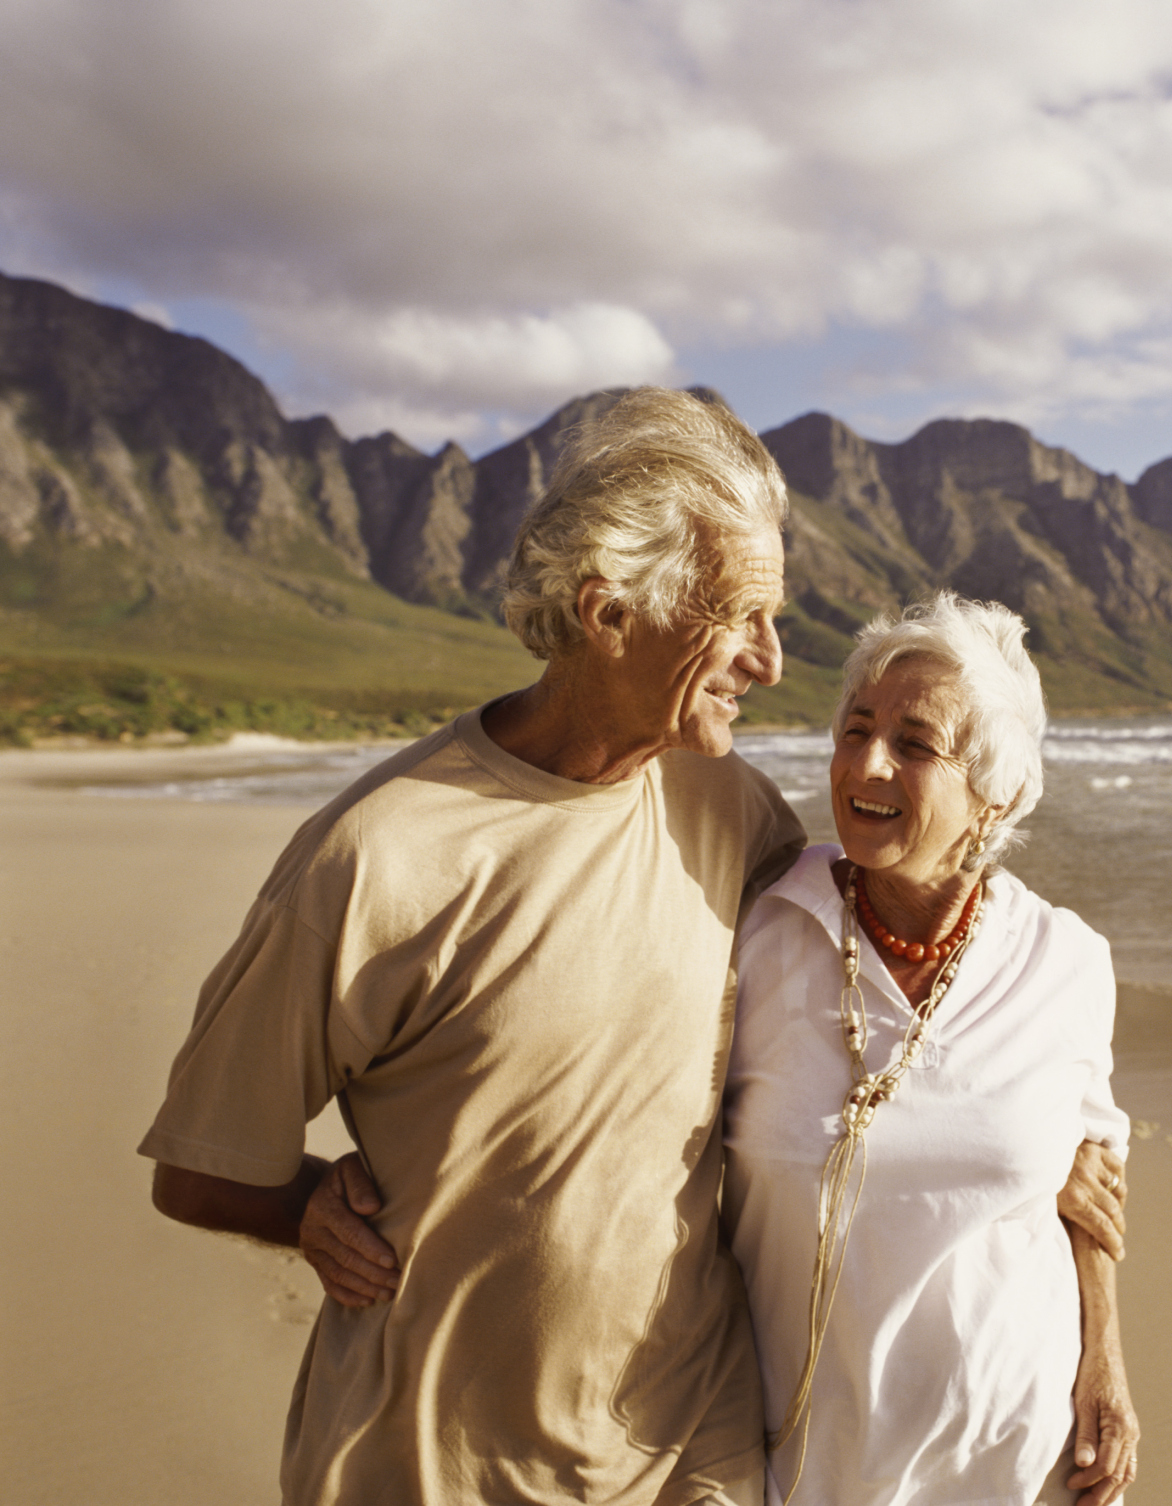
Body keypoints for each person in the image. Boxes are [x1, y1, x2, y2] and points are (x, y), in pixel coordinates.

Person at [141, 388, 806, 1506]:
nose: (771, 659)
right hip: (427, 1471)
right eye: (740, 615)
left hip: (692, 1454)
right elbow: (200, 1167)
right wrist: (301, 1205)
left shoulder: (728, 808)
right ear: (608, 614)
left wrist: (1050, 1113)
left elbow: (872, 969)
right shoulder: (375, 858)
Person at [722, 592, 1141, 1506]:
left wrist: (1104, 1366)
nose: (866, 764)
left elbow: (1093, 1177)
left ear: (997, 797)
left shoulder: (1067, 959)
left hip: (1014, 1459)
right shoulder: (760, 927)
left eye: (914, 744)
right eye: (854, 729)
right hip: (796, 1460)